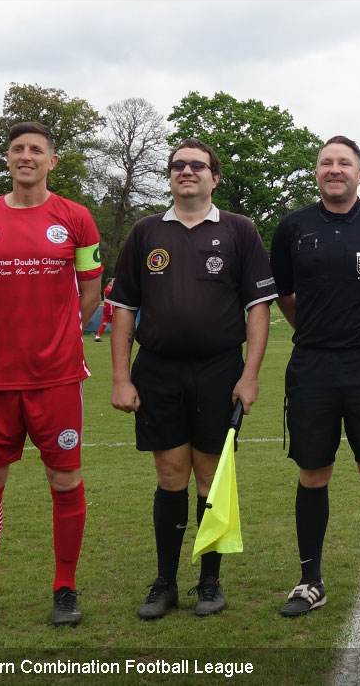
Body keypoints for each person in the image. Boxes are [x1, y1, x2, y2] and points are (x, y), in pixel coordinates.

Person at [109, 139, 275, 620]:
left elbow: (257, 310)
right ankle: (165, 583)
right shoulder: (144, 233)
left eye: (197, 165)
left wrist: (250, 375)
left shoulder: (240, 231)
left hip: (219, 370)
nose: (187, 171)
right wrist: (121, 377)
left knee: (210, 478)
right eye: (178, 165)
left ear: (214, 177)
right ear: (170, 175)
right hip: (157, 371)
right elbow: (123, 311)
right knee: (169, 476)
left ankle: (209, 581)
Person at [0, 121, 103, 631]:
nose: (26, 156)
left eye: (37, 149)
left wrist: (58, 337)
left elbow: (90, 291)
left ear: (52, 162)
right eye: (17, 149)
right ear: (8, 160)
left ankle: (65, 588)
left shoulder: (77, 218)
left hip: (56, 376)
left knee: (64, 479)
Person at [270, 135, 360, 618]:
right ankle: (310, 581)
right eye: (326, 163)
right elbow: (286, 298)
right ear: (317, 172)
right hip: (312, 365)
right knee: (313, 472)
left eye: (344, 163)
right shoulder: (292, 227)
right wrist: (316, 334)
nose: (334, 170)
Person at [94, 277, 114, 341]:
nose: (113, 283)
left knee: (107, 323)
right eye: (112, 281)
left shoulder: (110, 289)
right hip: (109, 309)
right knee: (110, 323)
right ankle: (98, 336)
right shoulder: (108, 290)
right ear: (109, 283)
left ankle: (97, 336)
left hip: (110, 308)